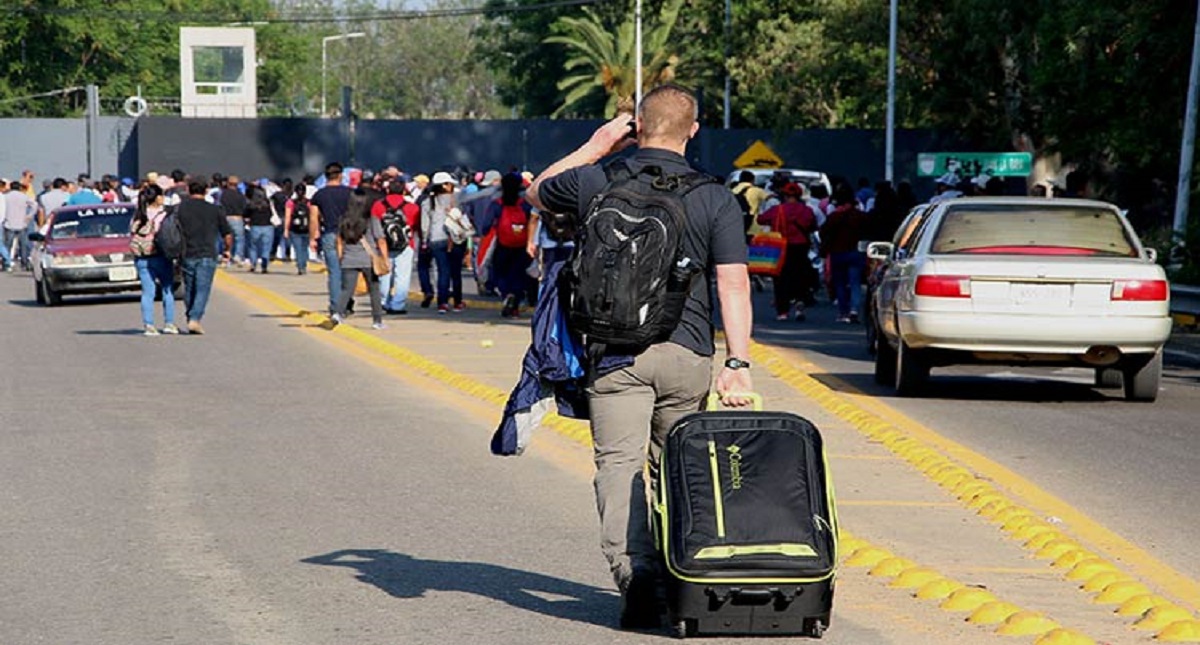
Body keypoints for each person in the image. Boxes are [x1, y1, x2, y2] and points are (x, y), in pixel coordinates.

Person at [526, 84, 755, 629]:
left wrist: (598, 144)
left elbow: (536, 191)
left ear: (638, 127)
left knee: (619, 466)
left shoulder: (598, 178)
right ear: (693, 130)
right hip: (688, 352)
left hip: (615, 356)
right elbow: (734, 285)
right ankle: (684, 574)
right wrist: (737, 362)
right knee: (676, 466)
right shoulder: (714, 196)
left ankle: (636, 575)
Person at [177, 180, 233, 335]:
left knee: (189, 287)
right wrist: (227, 250)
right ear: (206, 191)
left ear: (188, 190)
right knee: (203, 288)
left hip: (187, 252)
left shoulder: (180, 209)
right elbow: (227, 234)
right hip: (208, 252)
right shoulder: (215, 209)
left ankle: (190, 316)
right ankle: (195, 318)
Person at [758, 182, 818, 321]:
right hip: (800, 248)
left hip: (780, 248)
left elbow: (761, 219)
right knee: (800, 277)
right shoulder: (806, 210)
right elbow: (813, 226)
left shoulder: (778, 210)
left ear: (784, 196)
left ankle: (782, 312)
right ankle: (799, 304)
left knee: (780, 279)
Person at [331, 189, 388, 330]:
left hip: (349, 258)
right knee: (374, 290)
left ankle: (338, 313)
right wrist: (385, 258)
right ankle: (377, 321)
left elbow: (338, 241)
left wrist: (341, 257)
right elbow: (380, 240)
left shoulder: (344, 219)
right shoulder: (371, 219)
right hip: (368, 259)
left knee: (347, 290)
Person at [482, 173, 535, 318]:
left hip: (503, 244)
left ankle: (506, 294)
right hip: (521, 244)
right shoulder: (525, 204)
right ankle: (515, 305)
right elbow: (533, 220)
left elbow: (485, 226)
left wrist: (485, 231)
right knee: (518, 275)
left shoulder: (497, 203)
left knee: (500, 273)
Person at [129, 184, 178, 336]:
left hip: (142, 257)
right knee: (167, 289)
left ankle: (149, 325)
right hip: (161, 256)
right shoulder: (163, 215)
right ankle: (169, 323)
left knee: (147, 293)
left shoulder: (138, 215)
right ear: (157, 198)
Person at [419, 171, 471, 314]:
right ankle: (458, 302)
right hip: (456, 239)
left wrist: (424, 240)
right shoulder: (457, 199)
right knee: (456, 272)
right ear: (445, 185)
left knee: (443, 271)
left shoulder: (427, 202)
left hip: (436, 239)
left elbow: (425, 225)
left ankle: (442, 303)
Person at [820, 183, 870, 323]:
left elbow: (823, 232)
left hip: (838, 252)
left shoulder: (834, 217)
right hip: (856, 252)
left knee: (840, 284)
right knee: (855, 283)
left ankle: (843, 313)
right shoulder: (861, 216)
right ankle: (854, 309)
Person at [310, 162, 355, 316]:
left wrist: (312, 238)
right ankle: (347, 302)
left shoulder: (319, 195)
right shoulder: (350, 193)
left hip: (329, 233)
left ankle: (336, 308)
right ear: (341, 175)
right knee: (348, 271)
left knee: (334, 272)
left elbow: (313, 218)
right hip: (348, 235)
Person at [371, 178, 420, 315]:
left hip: (383, 245)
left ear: (387, 189)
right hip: (406, 245)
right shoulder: (412, 207)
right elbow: (416, 227)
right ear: (404, 190)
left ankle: (383, 302)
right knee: (403, 276)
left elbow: (374, 226)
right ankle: (398, 305)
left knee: (385, 274)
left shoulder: (378, 205)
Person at [3, 181, 37, 270]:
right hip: (22, 223)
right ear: (20, 188)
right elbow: (35, 205)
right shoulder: (24, 196)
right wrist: (29, 216)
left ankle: (6, 262)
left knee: (8, 245)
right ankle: (24, 263)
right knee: (23, 245)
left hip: (9, 223)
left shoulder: (6, 197)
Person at [244, 183, 275, 273]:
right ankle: (264, 263)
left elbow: (245, 215)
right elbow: (271, 214)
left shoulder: (251, 205)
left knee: (253, 247)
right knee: (266, 247)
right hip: (268, 226)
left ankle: (253, 264)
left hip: (255, 226)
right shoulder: (268, 204)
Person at [219, 175, 249, 266]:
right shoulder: (241, 195)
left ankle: (226, 256)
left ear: (228, 183)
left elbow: (220, 205)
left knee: (227, 238)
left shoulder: (223, 194)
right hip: (237, 218)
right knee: (239, 238)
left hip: (226, 217)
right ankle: (238, 256)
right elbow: (245, 207)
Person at [284, 183, 312, 275]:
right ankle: (303, 265)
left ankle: (300, 266)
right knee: (304, 248)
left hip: (294, 229)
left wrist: (286, 229)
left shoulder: (290, 202)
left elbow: (288, 217)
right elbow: (312, 217)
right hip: (307, 228)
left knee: (298, 248)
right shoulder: (309, 202)